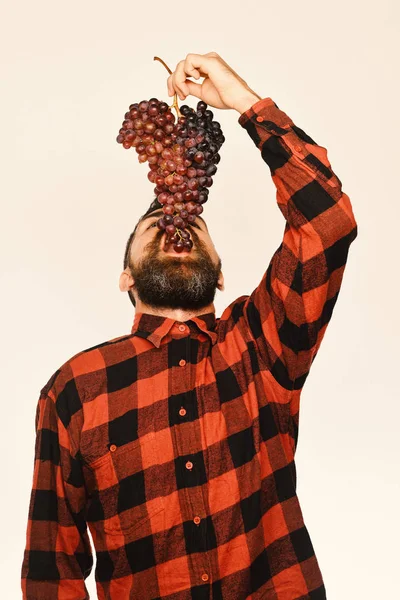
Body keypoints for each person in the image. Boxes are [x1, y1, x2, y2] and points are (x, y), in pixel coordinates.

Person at [21, 52, 357, 599]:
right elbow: (49, 572)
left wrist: (246, 102)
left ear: (221, 274)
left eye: (192, 226)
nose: (175, 227)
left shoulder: (260, 343)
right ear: (126, 276)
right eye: (155, 226)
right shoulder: (74, 391)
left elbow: (328, 223)